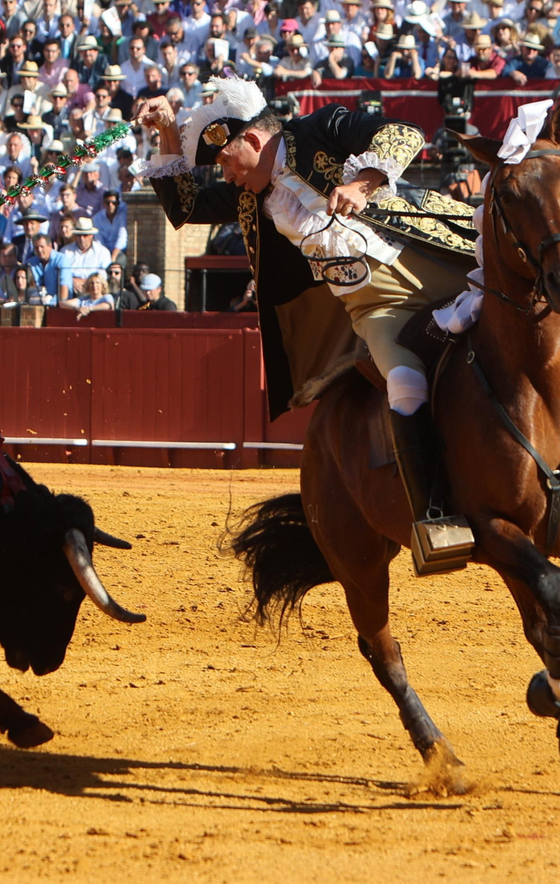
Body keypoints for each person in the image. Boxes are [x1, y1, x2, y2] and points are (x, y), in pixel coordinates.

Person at [135, 80, 475, 568]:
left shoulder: (322, 128)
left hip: (426, 253)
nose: (225, 177)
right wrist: (168, 130)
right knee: (402, 382)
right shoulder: (252, 197)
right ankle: (435, 517)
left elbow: (404, 131)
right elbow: (184, 208)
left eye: (226, 163)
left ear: (251, 141)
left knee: (533, 297)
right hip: (374, 306)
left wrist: (362, 183)